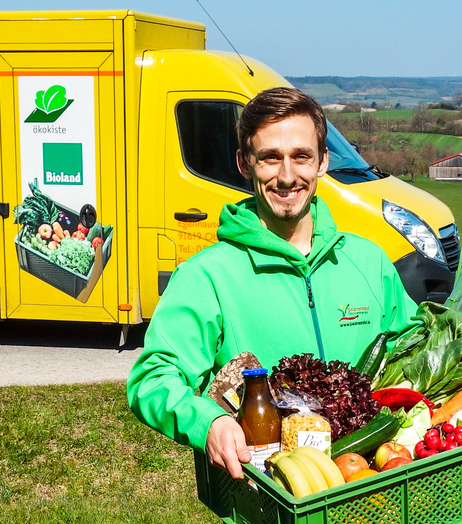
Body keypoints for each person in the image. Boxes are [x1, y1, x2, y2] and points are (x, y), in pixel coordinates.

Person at [126, 87, 418, 479]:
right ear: (244, 164)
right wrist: (208, 422)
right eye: (270, 158)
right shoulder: (207, 276)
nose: (286, 176)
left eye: (301, 156)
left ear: (323, 162)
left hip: (367, 481)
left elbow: (414, 348)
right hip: (270, 490)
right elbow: (153, 378)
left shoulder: (367, 261)